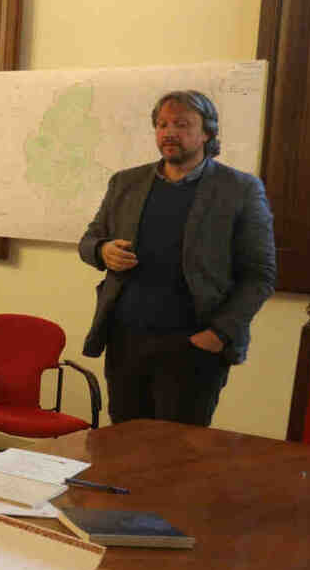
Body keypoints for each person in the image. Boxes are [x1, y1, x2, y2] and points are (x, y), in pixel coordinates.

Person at [79, 90, 276, 425]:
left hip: (193, 347)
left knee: (178, 449)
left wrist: (219, 334)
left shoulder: (240, 189)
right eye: (162, 125)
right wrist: (102, 250)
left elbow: (260, 275)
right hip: (126, 341)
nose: (169, 132)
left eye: (182, 125)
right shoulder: (126, 182)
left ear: (207, 133)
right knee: (123, 444)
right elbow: (89, 241)